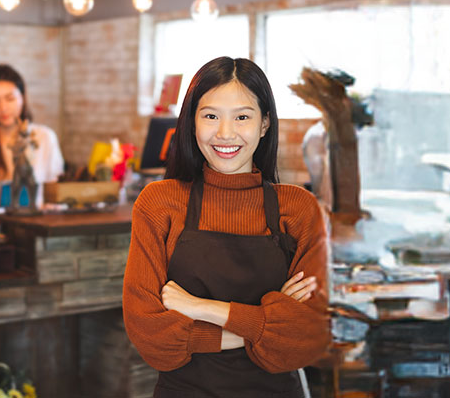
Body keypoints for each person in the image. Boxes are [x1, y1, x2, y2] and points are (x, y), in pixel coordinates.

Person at [120, 57, 333, 397]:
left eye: (242, 117)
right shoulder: (159, 203)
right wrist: (265, 325)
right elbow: (151, 337)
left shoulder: (298, 209)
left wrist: (200, 308)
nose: (225, 133)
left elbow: (307, 338)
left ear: (264, 123)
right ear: (192, 122)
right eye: (211, 116)